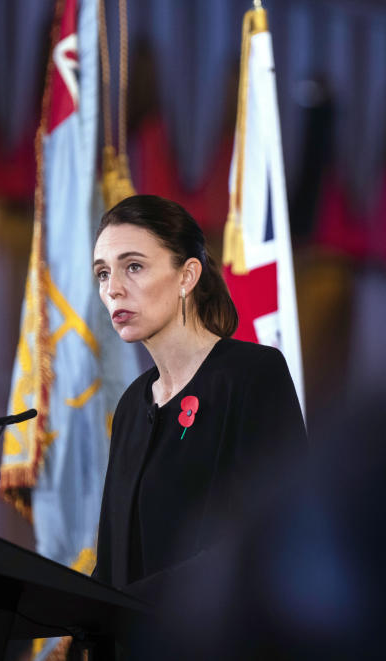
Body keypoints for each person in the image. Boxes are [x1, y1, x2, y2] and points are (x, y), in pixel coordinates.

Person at [90, 194, 307, 596]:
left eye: (133, 267)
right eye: (103, 274)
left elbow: (272, 536)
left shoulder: (251, 375)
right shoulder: (132, 407)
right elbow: (112, 561)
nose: (113, 289)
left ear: (187, 276)